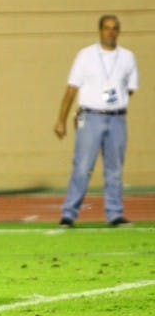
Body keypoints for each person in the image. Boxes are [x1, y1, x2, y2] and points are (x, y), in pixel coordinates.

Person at [55, 15, 138, 228]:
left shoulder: (128, 57)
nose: (110, 32)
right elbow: (71, 88)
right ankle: (69, 214)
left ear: (118, 31)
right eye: (106, 28)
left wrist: (114, 104)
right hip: (91, 117)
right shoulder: (85, 56)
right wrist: (61, 120)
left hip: (117, 118)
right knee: (82, 167)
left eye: (114, 28)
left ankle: (114, 213)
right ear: (99, 31)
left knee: (115, 168)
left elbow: (129, 89)